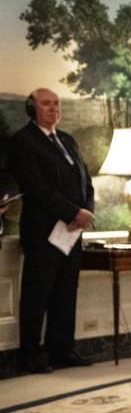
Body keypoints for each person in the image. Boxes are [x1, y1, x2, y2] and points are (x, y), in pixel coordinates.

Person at [6, 88, 95, 374]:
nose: (53, 108)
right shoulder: (23, 142)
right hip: (44, 233)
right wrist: (73, 213)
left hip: (71, 234)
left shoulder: (67, 139)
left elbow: (86, 180)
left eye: (57, 104)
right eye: (46, 104)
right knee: (37, 295)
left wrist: (86, 210)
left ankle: (62, 349)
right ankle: (31, 355)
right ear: (32, 108)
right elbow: (37, 189)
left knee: (66, 293)